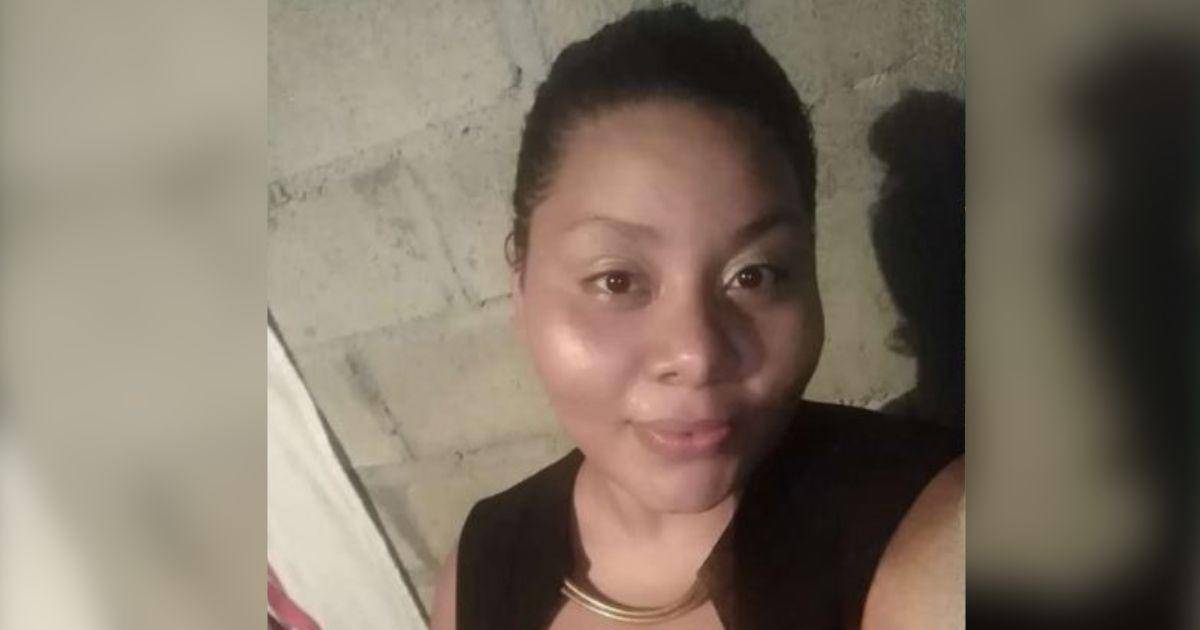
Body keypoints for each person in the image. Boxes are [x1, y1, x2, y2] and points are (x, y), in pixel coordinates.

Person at [429, 5, 964, 629]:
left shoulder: (933, 527)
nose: (698, 354)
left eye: (754, 275)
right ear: (520, 288)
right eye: (617, 280)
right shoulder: (482, 564)